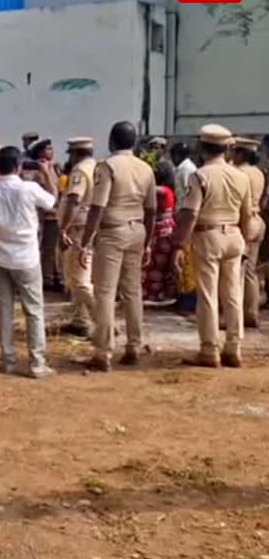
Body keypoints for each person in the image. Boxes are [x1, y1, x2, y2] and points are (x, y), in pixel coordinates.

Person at [171, 125, 254, 368]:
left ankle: (209, 349)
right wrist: (246, 241)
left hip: (208, 236)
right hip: (235, 235)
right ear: (227, 148)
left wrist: (179, 244)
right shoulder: (242, 176)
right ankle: (234, 347)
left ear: (201, 147)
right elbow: (247, 215)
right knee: (232, 294)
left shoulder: (201, 175)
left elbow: (190, 213)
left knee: (207, 295)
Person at [77, 121, 156, 372]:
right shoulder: (146, 168)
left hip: (112, 232)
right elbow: (152, 209)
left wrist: (85, 241)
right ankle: (134, 345)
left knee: (105, 292)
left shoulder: (107, 166)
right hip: (138, 229)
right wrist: (149, 242)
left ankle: (103, 351)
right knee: (133, 291)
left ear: (112, 141)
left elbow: (98, 207)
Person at [0, 146, 58, 378]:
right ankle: (37, 363)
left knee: (4, 309)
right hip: (27, 257)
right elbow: (53, 201)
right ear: (19, 166)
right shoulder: (29, 189)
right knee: (34, 310)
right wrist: (46, 173)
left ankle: (8, 360)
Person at [57, 138, 98, 336]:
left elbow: (74, 200)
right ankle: (81, 319)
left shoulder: (80, 171)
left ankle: (102, 321)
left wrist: (63, 228)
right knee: (79, 275)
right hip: (91, 225)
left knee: (79, 279)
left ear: (74, 153)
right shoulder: (98, 167)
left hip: (78, 227)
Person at [232, 137, 265, 328]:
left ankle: (234, 317)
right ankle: (251, 313)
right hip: (257, 220)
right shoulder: (258, 173)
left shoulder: (238, 173)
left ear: (241, 153)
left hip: (244, 222)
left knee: (237, 272)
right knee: (251, 272)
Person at [26, 139, 62, 289]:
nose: (51, 152)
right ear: (39, 152)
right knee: (46, 250)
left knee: (54, 250)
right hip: (44, 216)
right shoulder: (35, 171)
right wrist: (45, 172)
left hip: (55, 214)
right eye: (47, 149)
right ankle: (46, 279)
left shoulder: (54, 167)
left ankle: (55, 276)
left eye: (51, 149)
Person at [143, 160, 179, 304]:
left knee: (156, 264)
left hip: (161, 231)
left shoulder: (164, 190)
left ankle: (155, 294)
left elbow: (149, 189)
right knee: (159, 264)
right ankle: (159, 294)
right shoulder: (169, 190)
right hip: (164, 229)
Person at [170, 141, 197, 209]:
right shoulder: (179, 167)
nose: (172, 158)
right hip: (179, 206)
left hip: (184, 207)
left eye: (174, 154)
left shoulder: (187, 168)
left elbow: (188, 192)